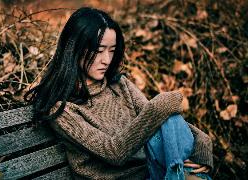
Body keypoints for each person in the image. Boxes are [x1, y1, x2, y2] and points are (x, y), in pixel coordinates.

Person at [24, 7, 213, 179]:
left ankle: (181, 173)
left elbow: (158, 120)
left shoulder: (119, 83)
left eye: (112, 51)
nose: (106, 60)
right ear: (75, 48)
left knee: (169, 120)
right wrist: (159, 106)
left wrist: (202, 141)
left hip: (150, 170)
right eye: (99, 50)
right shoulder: (62, 109)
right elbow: (114, 152)